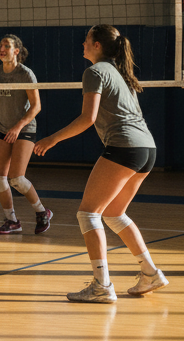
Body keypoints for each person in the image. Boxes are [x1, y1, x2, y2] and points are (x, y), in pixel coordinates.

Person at [34, 24, 168, 303]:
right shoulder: (121, 73)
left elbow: (87, 118)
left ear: (97, 45)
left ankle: (101, 285)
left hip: (125, 147)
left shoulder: (94, 72)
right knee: (114, 214)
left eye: (86, 40)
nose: (82, 44)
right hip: (147, 148)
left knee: (89, 214)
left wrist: (52, 139)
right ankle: (150, 273)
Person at [0, 34, 52, 235]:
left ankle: (42, 212)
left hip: (24, 129)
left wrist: (17, 127)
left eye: (6, 46)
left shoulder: (26, 74)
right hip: (2, 128)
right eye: (0, 45)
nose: (2, 48)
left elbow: (36, 107)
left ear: (16, 51)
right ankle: (12, 221)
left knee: (17, 178)